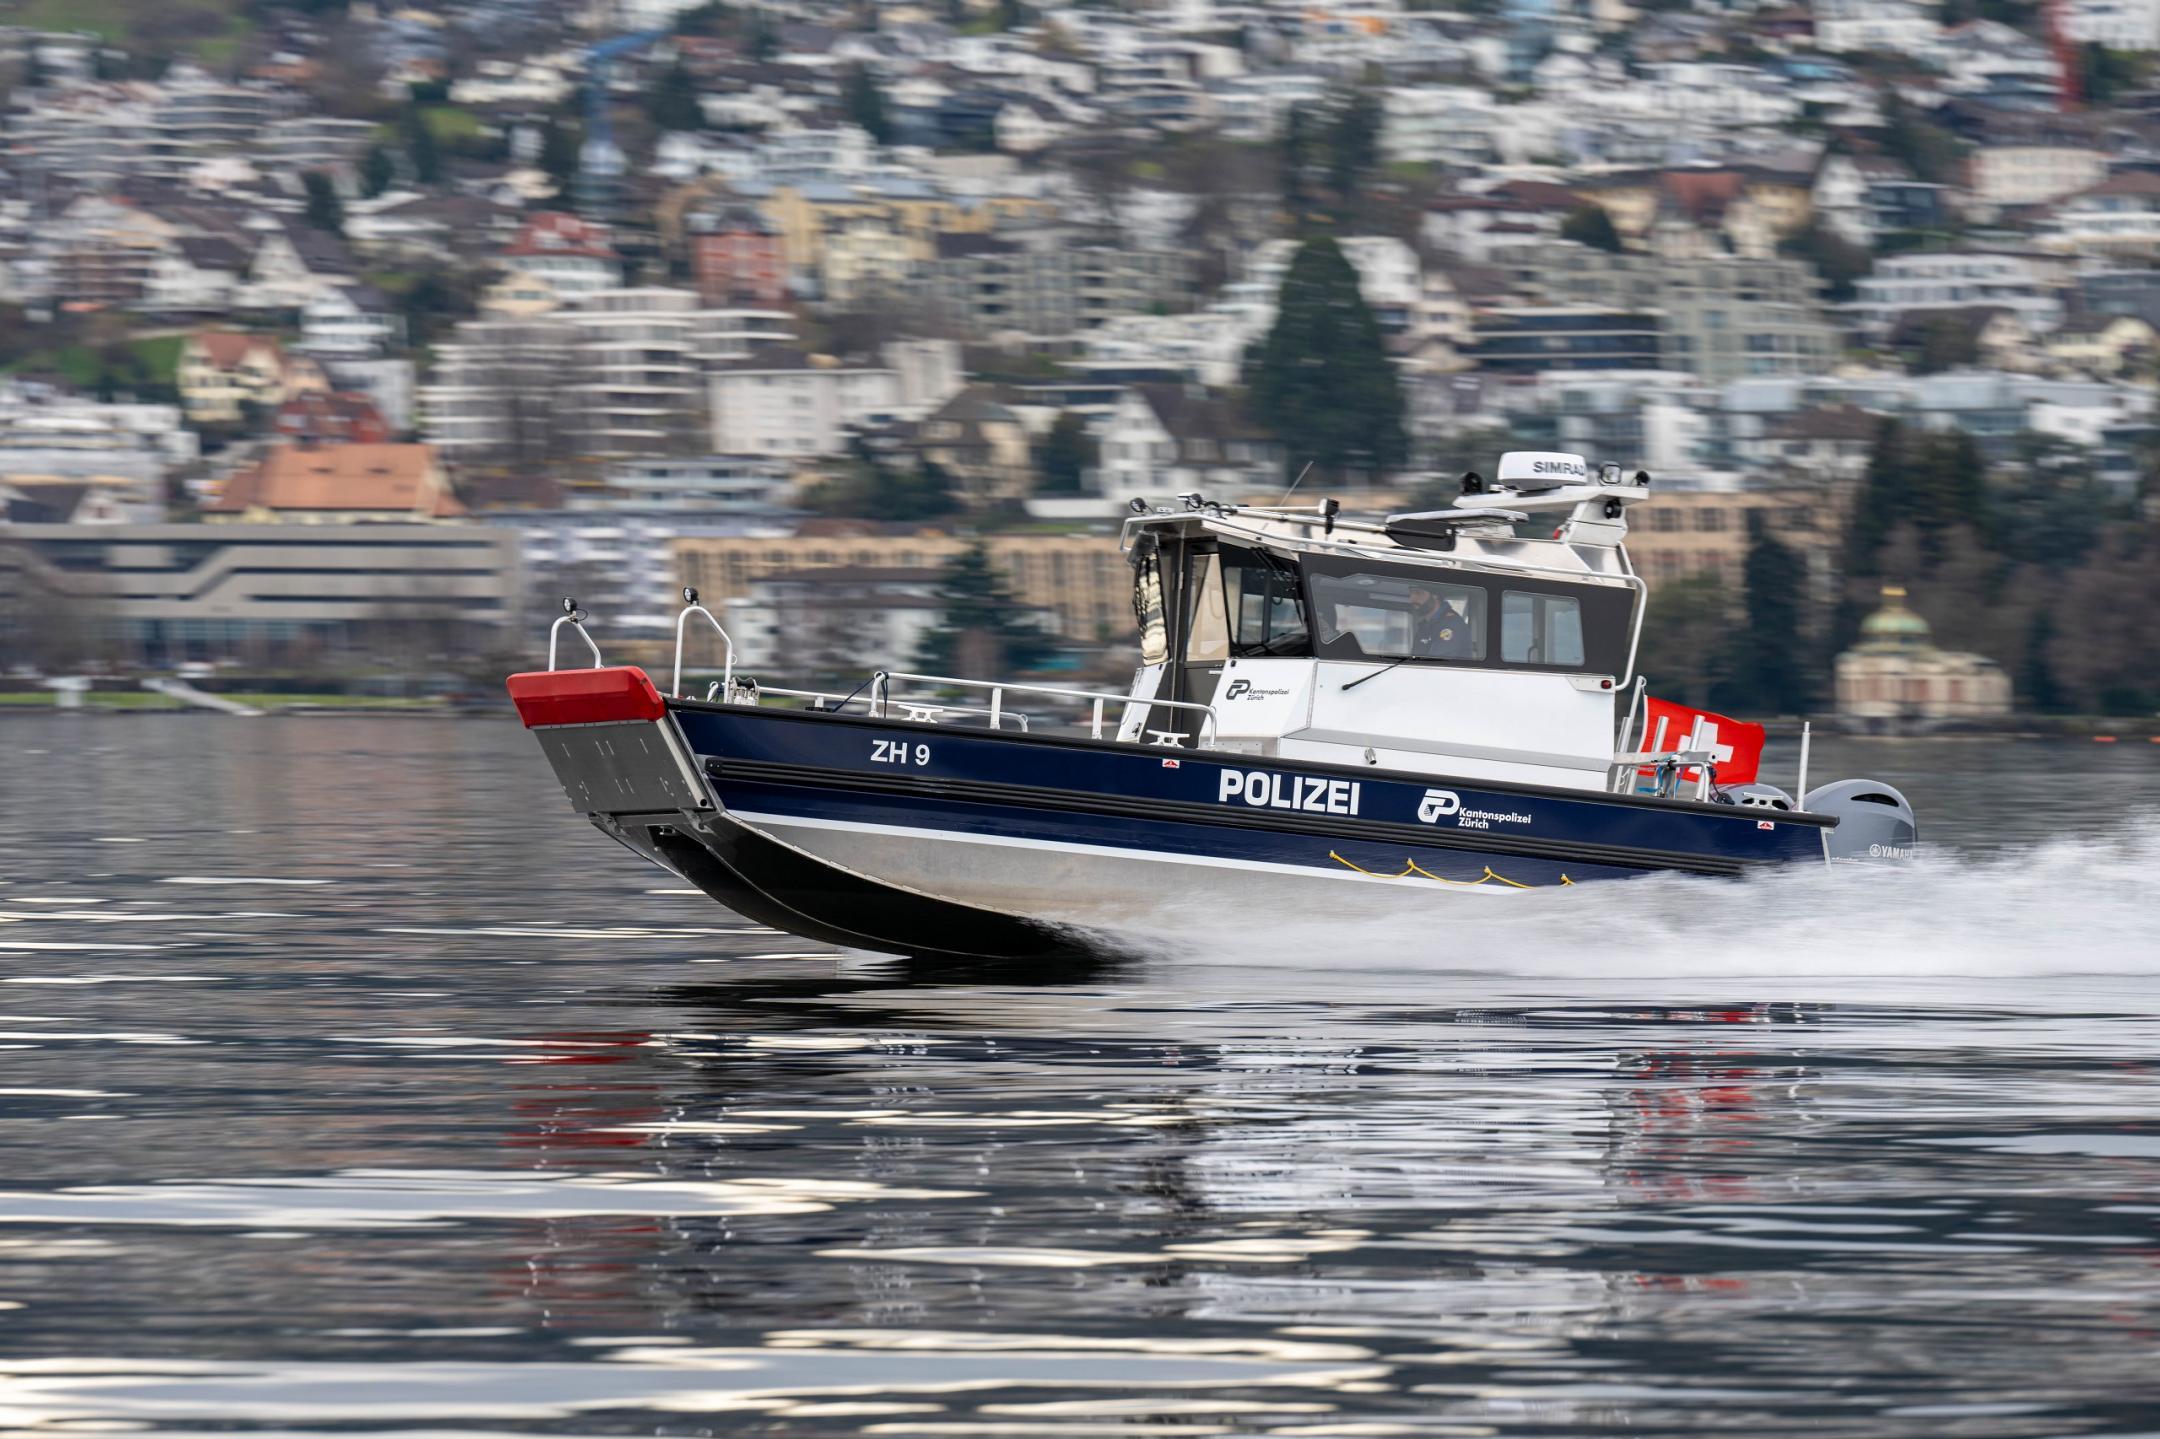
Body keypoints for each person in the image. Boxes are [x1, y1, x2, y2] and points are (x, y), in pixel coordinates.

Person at [1408, 585, 1476, 659]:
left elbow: (1436, 663)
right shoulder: (1424, 626)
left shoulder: (1452, 625)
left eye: (1418, 593)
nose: (1412, 599)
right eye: (1410, 594)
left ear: (1435, 595)